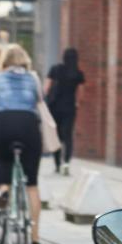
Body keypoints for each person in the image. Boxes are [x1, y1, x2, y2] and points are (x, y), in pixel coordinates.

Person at [0, 43, 43, 244]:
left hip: (3, 123)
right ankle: (35, 238)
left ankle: (4, 191)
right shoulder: (33, 78)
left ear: (4, 62)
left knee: (2, 158)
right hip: (28, 125)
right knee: (32, 185)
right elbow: (38, 102)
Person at [45, 47, 84, 175]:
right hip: (69, 107)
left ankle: (57, 164)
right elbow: (80, 92)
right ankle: (66, 162)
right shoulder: (78, 73)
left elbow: (46, 87)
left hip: (54, 107)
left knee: (56, 135)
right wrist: (76, 102)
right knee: (67, 135)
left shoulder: (55, 69)